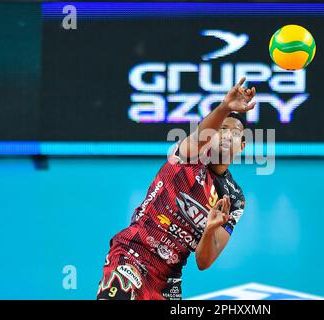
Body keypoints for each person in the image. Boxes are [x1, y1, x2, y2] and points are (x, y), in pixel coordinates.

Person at [97, 77, 256, 300]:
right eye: (222, 129)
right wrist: (224, 107)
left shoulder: (234, 199)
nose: (227, 135)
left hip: (167, 280)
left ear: (242, 145)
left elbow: (204, 261)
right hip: (133, 252)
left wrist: (209, 229)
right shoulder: (190, 156)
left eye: (235, 132)